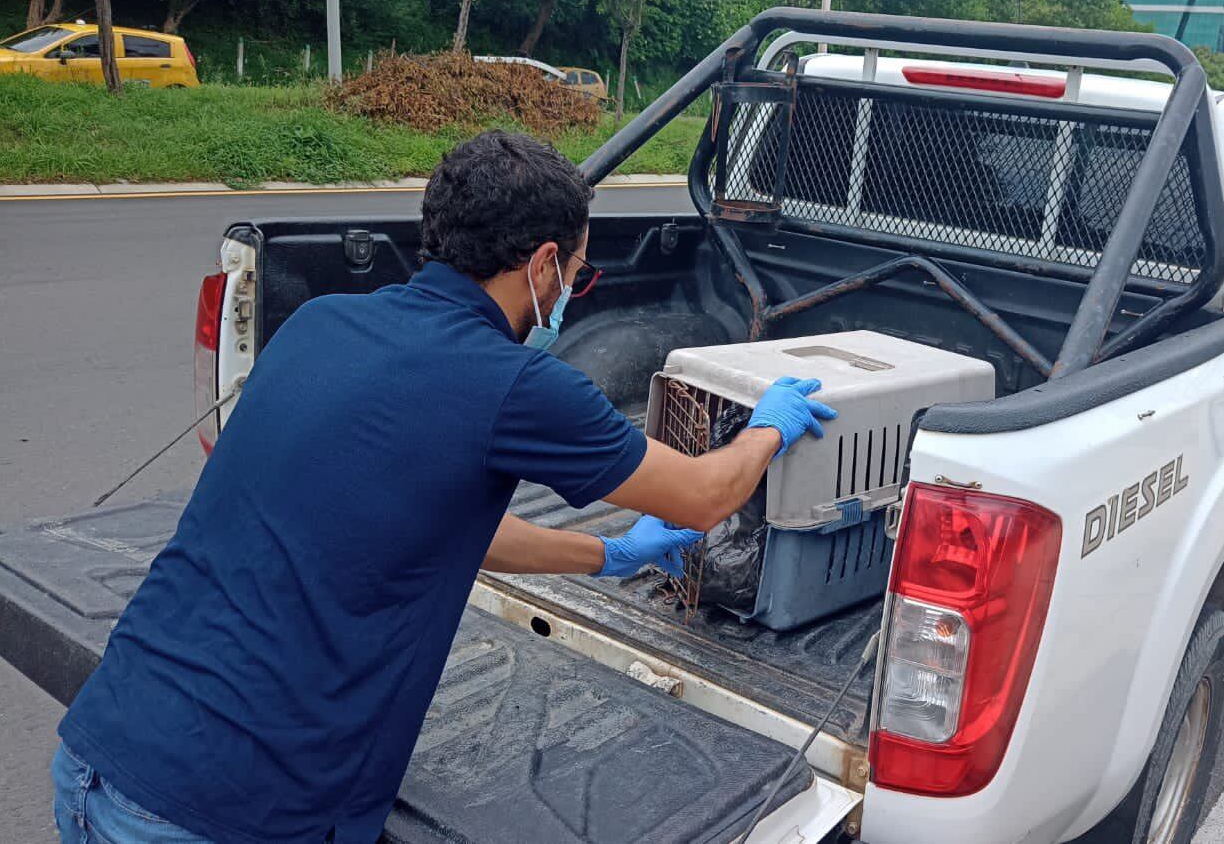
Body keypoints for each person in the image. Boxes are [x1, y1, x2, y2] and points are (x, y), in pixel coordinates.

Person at [51, 130, 837, 843]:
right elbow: (703, 495)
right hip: (219, 815)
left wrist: (606, 554)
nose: (572, 290)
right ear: (540, 266)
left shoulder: (321, 322)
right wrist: (770, 423)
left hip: (97, 755)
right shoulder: (513, 383)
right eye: (576, 271)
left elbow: (436, 523)